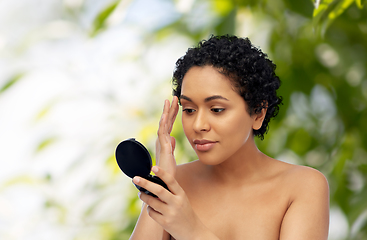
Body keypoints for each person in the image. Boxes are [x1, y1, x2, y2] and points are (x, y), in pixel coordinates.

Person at [129, 35, 329, 240]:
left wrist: (191, 231)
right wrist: (161, 184)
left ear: (258, 112)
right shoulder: (176, 185)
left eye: (216, 109)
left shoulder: (302, 186)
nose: (198, 125)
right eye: (189, 110)